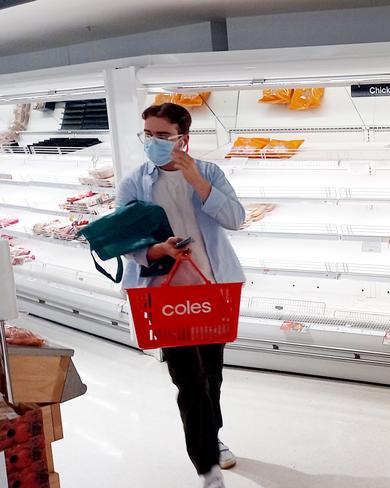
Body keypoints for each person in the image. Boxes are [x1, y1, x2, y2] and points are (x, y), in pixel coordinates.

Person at [116, 103, 246, 488]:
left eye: (162, 136)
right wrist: (159, 250)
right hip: (162, 296)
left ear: (183, 139)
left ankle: (213, 437)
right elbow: (126, 241)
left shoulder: (209, 173)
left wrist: (199, 184)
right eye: (148, 135)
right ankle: (206, 467)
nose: (153, 143)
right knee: (188, 381)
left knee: (212, 376)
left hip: (211, 290)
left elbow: (236, 219)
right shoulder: (134, 183)